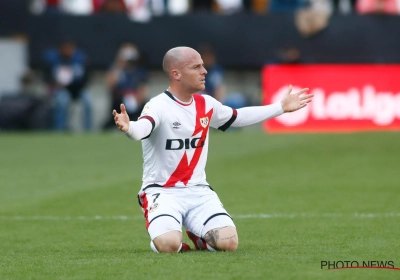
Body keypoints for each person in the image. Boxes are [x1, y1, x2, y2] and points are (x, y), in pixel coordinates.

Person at [112, 46, 313, 253]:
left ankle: (199, 237)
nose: (204, 71)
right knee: (169, 244)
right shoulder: (158, 105)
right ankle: (170, 239)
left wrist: (280, 107)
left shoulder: (206, 103)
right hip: (161, 191)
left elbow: (238, 117)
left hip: (198, 191)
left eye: (203, 66)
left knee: (229, 243)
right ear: (176, 74)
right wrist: (129, 127)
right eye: (196, 67)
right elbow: (141, 129)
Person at [43, 39, 91, 131]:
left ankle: (88, 130)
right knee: (62, 101)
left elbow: (86, 77)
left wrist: (77, 84)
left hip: (77, 89)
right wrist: (55, 83)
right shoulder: (54, 60)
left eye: (70, 48)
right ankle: (59, 130)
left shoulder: (79, 60)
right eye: (66, 48)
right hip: (61, 89)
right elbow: (47, 77)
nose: (68, 51)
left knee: (88, 101)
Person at [103, 43, 148, 130]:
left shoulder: (139, 72)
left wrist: (136, 98)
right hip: (120, 100)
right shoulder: (117, 70)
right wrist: (119, 65)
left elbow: (143, 89)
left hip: (135, 98)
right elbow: (110, 84)